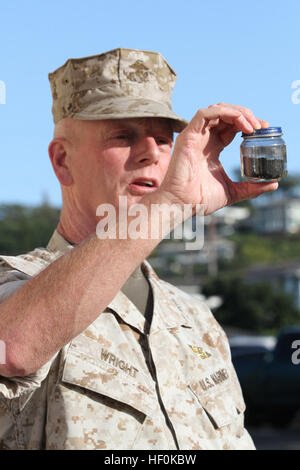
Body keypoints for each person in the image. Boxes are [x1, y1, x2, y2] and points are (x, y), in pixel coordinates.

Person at [0, 48, 277, 450]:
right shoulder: (18, 284)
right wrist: (171, 203)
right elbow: (14, 349)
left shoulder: (196, 320)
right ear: (63, 161)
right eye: (123, 136)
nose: (151, 153)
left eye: (164, 139)